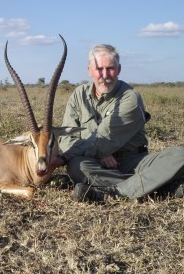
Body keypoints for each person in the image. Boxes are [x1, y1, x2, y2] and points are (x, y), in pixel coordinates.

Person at [52, 44, 184, 202]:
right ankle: (156, 187)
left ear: (119, 69)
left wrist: (63, 159)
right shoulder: (78, 95)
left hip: (133, 162)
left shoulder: (130, 98)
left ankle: (113, 193)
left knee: (180, 155)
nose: (105, 75)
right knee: (77, 166)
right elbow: (67, 140)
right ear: (89, 71)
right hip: (96, 163)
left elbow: (104, 138)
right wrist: (100, 156)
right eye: (99, 69)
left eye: (110, 68)